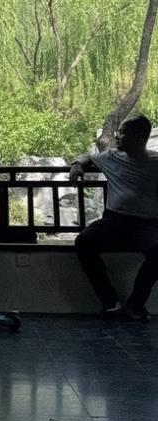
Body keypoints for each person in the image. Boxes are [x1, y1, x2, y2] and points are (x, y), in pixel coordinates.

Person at [71, 114, 158, 320]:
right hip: (114, 221)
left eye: (123, 133)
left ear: (140, 137)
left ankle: (136, 304)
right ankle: (110, 302)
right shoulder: (112, 156)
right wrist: (76, 165)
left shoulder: (155, 162)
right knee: (84, 242)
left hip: (147, 225)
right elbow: (87, 157)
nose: (118, 136)